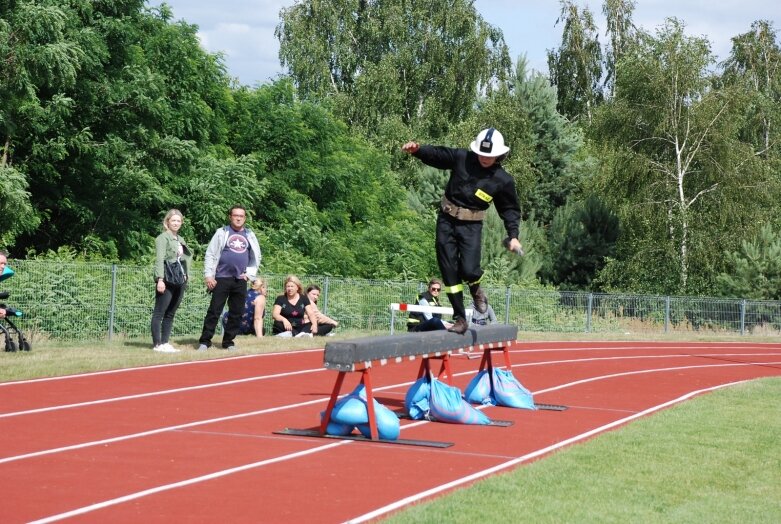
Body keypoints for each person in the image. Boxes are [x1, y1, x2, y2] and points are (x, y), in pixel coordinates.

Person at [402, 128, 523, 334]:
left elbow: (510, 209)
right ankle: (460, 318)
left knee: (468, 270)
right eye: (482, 154)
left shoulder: (502, 180)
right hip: (446, 221)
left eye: (490, 155)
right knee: (449, 271)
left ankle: (476, 289)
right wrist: (418, 150)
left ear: (499, 154)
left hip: (471, 227)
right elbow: (439, 155)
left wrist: (513, 236)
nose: (485, 158)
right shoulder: (462, 158)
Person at [198, 205, 261, 350]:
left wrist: (249, 275)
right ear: (230, 217)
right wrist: (209, 275)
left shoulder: (250, 234)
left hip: (240, 280)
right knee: (214, 311)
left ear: (245, 218)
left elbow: (256, 255)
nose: (238, 218)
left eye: (241, 216)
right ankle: (205, 341)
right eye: (235, 215)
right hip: (221, 277)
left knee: (236, 312)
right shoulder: (221, 232)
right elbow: (211, 254)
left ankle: (228, 342)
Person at [151, 209, 193, 353]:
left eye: (178, 221)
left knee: (171, 312)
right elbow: (160, 259)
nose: (176, 223)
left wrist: (186, 274)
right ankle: (157, 344)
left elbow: (184, 258)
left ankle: (165, 342)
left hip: (179, 280)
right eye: (173, 220)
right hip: (167, 278)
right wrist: (160, 279)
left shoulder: (180, 239)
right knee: (159, 312)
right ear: (167, 221)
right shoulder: (162, 238)